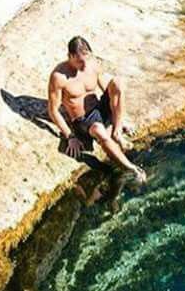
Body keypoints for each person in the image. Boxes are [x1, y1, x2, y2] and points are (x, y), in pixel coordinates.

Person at [47, 36, 147, 184]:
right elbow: (53, 111)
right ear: (70, 56)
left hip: (98, 107)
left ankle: (117, 132)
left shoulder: (91, 64)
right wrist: (70, 136)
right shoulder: (59, 76)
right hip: (83, 120)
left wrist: (117, 117)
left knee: (118, 83)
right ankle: (131, 169)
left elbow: (106, 87)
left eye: (86, 60)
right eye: (79, 61)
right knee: (100, 131)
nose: (84, 65)